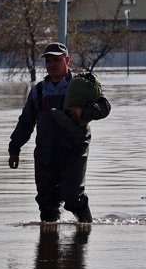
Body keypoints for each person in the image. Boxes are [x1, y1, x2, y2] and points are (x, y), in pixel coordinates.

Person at [8, 42, 111, 223]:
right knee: (47, 204)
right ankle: (49, 244)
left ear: (67, 60)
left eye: (57, 60)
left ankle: (86, 228)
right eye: (48, 61)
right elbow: (26, 123)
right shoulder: (38, 91)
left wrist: (83, 111)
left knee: (73, 198)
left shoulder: (80, 85)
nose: (52, 64)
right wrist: (14, 149)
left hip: (74, 151)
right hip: (46, 153)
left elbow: (104, 106)